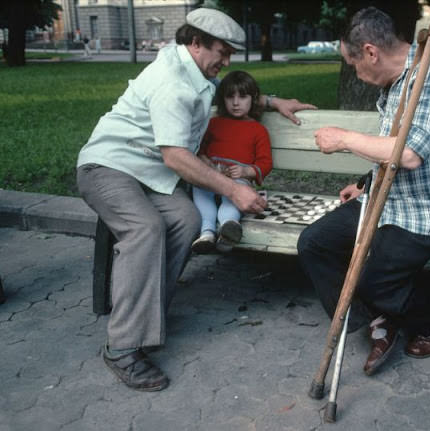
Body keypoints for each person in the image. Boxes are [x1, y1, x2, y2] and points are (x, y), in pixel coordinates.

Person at [76, 7, 315, 392]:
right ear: (195, 42)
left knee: (186, 220)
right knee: (146, 228)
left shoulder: (193, 68)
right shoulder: (173, 82)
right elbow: (176, 157)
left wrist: (272, 101)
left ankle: (147, 313)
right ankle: (120, 346)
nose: (225, 61)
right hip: (108, 167)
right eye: (221, 52)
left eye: (230, 55)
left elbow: (223, 97)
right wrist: (235, 189)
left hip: (149, 175)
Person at [297, 7, 430, 376]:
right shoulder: (395, 83)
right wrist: (365, 183)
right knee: (314, 243)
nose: (357, 74)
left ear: (371, 52)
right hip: (384, 200)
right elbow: (387, 146)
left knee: (371, 280)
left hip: (426, 210)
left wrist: (342, 138)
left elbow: (408, 153)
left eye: (354, 65)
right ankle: (377, 321)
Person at [191, 70, 272, 253]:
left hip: (238, 179)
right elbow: (200, 150)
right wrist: (206, 163)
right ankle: (207, 232)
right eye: (230, 97)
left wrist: (246, 171)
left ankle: (229, 226)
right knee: (200, 190)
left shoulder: (258, 130)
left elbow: (265, 163)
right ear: (222, 99)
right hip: (211, 175)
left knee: (233, 199)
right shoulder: (214, 124)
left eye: (243, 97)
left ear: (253, 99)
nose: (236, 103)